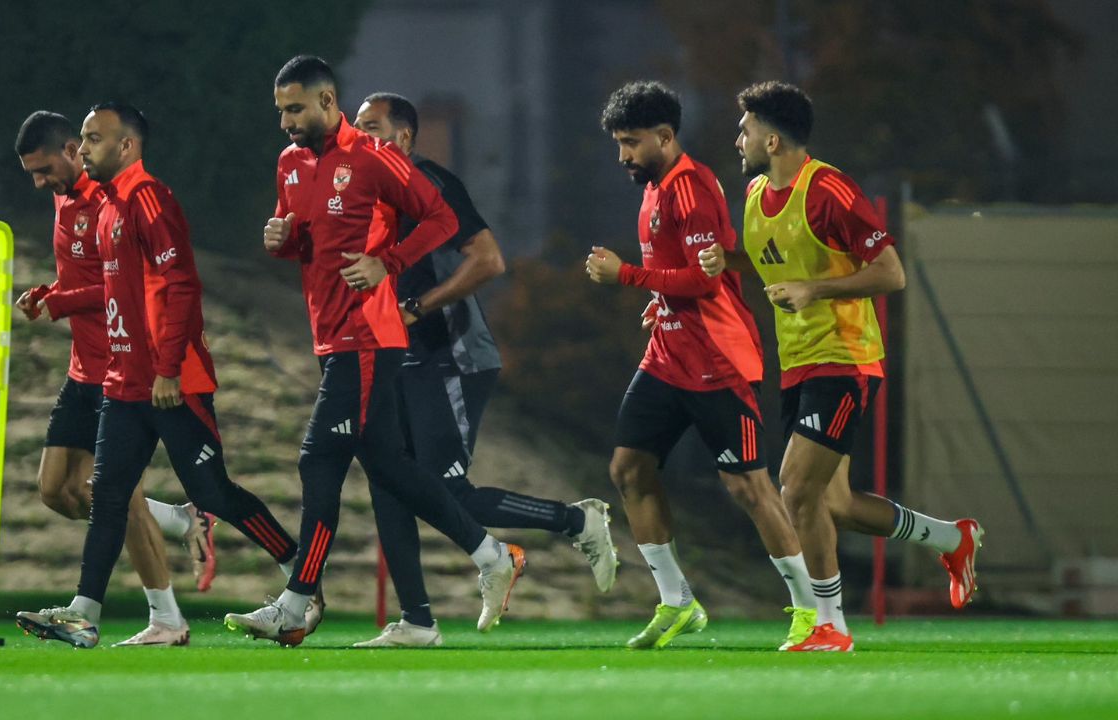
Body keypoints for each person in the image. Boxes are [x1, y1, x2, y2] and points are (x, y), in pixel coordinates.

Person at [223, 56, 524, 648]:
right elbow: (309, 241)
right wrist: (282, 240)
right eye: (281, 109)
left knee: (318, 460)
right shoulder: (289, 163)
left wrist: (388, 262)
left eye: (296, 108)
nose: (286, 120)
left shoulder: (373, 157)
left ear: (329, 102)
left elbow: (438, 219)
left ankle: (298, 601)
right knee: (386, 467)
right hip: (329, 333)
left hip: (368, 335)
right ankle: (484, 560)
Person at [699, 80, 983, 651]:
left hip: (845, 359)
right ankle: (951, 539)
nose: (739, 138)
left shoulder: (828, 190)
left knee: (795, 492)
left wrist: (816, 290)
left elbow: (890, 272)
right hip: (799, 364)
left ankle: (831, 625)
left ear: (773, 139)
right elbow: (770, 263)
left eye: (746, 128)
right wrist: (725, 260)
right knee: (835, 504)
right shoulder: (756, 194)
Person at [15, 103, 306, 648]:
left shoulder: (149, 198)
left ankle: (300, 577)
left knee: (214, 493)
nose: (85, 148)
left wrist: (169, 368)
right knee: (109, 498)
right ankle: (84, 612)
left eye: (94, 139)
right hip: (123, 379)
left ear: (125, 146)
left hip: (170, 382)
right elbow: (116, 294)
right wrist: (59, 298)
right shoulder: (106, 209)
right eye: (82, 138)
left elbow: (182, 286)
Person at [349, 93, 617, 648]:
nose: (359, 139)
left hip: (452, 355)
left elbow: (490, 259)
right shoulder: (367, 195)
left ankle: (577, 523)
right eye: (356, 129)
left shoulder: (430, 181)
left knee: (448, 490)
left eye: (371, 129)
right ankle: (417, 622)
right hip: (400, 357)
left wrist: (417, 307)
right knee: (387, 483)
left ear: (403, 139)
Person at [587, 81, 818, 650]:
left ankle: (812, 611)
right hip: (667, 357)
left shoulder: (692, 187)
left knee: (749, 488)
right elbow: (678, 278)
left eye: (632, 143)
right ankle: (677, 601)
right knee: (628, 468)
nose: (624, 156)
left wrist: (628, 277)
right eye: (619, 143)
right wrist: (655, 302)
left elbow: (704, 277)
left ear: (666, 137)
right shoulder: (654, 186)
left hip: (720, 361)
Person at [12, 110, 214, 645]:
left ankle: (166, 619)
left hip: (122, 369)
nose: (39, 182)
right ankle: (176, 520)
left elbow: (122, 285)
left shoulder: (112, 197)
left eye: (43, 169)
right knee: (57, 490)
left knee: (115, 496)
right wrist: (49, 290)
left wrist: (60, 301)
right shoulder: (65, 199)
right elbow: (82, 273)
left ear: (72, 149)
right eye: (30, 174)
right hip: (83, 364)